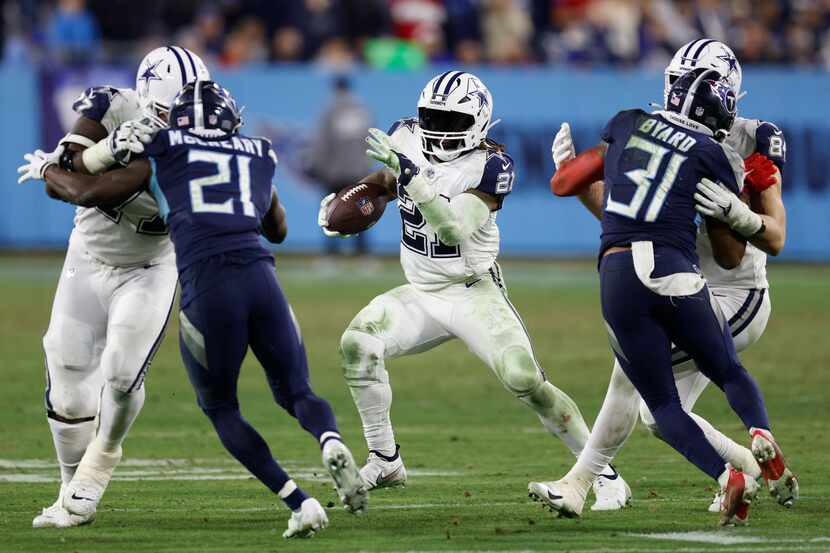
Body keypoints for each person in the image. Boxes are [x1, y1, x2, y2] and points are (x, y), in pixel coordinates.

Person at [37, 80, 369, 538]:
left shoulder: (164, 145)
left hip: (210, 287)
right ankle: (330, 439)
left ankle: (299, 501)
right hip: (262, 279)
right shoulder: (258, 152)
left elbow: (88, 190)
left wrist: (47, 170)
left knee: (221, 406)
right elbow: (278, 230)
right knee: (297, 391)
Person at [317, 70, 631, 510]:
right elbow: (387, 182)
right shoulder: (405, 136)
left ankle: (602, 473)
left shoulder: (492, 164)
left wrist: (411, 176)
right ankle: (385, 457)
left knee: (526, 381)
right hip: (422, 290)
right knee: (357, 344)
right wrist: (353, 201)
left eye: (452, 121)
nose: (440, 130)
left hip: (473, 292)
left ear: (478, 122)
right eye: (434, 118)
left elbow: (452, 228)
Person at [531, 39, 796, 517]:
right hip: (678, 278)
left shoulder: (753, 139)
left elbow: (761, 243)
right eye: (675, 79)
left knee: (631, 381)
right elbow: (624, 221)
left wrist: (742, 215)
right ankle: (752, 466)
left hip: (734, 291)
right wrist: (579, 187)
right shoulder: (665, 132)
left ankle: (580, 482)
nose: (676, 90)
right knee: (654, 409)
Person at [17, 45, 209, 528]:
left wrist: (103, 159)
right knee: (68, 380)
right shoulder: (108, 103)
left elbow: (82, 182)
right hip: (89, 255)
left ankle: (97, 468)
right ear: (145, 99)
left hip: (151, 265)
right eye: (170, 112)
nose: (182, 123)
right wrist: (101, 150)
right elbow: (65, 171)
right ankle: (70, 491)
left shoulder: (209, 129)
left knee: (123, 374)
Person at [307, 76, 373, 255]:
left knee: (331, 212)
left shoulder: (330, 109)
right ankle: (363, 253)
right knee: (361, 211)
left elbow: (323, 142)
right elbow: (370, 140)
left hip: (334, 171)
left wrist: (316, 166)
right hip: (358, 171)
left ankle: (332, 253)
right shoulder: (362, 109)